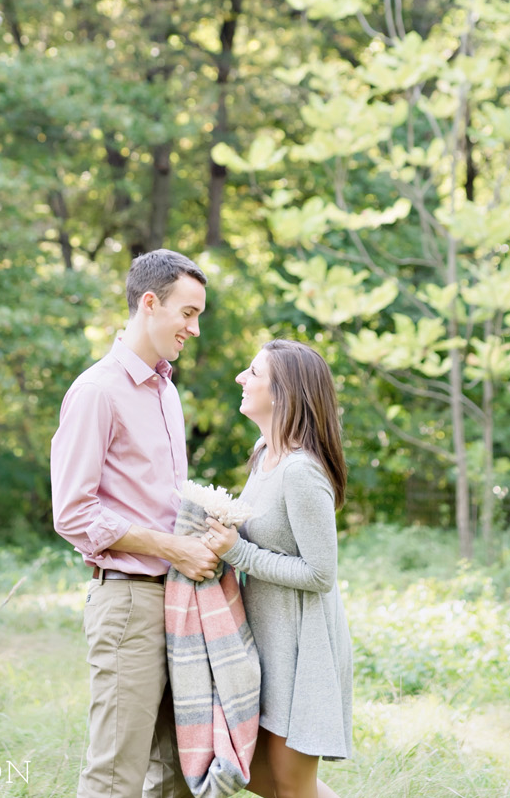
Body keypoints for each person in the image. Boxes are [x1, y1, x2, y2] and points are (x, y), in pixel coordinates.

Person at [51, 248, 220, 798]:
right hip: (129, 603)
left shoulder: (167, 390)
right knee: (115, 774)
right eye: (188, 313)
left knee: (178, 772)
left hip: (178, 600)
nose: (194, 328)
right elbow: (73, 512)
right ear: (150, 303)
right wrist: (173, 548)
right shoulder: (98, 391)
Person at [203, 340, 353, 798]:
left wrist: (238, 553)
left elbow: (320, 574)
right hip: (265, 642)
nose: (240, 379)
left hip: (301, 647)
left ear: (284, 392)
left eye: (252, 372)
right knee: (261, 779)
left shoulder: (301, 471)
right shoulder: (263, 454)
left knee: (291, 786)